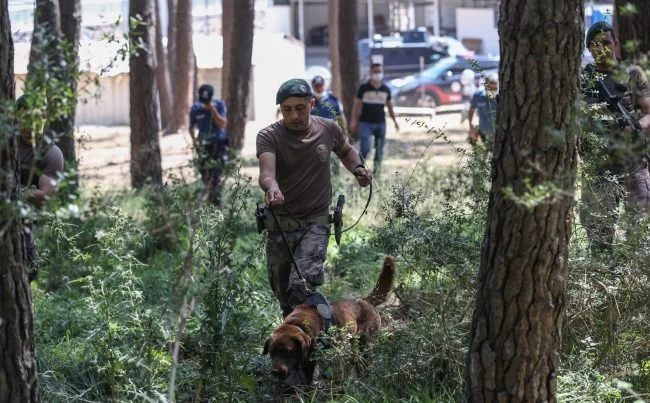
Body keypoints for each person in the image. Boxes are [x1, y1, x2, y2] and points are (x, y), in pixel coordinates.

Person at [256, 78, 372, 317]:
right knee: (284, 297)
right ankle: (300, 336)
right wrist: (272, 187)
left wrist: (358, 169)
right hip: (280, 226)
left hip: (315, 223)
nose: (294, 116)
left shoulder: (328, 128)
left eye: (300, 108)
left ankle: (319, 336)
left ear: (312, 103)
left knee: (301, 287)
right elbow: (267, 173)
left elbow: (347, 151)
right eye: (287, 110)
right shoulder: (269, 136)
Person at [580, 21, 650, 254]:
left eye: (607, 43)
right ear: (589, 49)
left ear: (616, 44)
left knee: (638, 233)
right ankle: (604, 277)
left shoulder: (632, 73)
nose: (602, 49)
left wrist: (635, 128)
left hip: (633, 164)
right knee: (598, 234)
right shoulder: (583, 80)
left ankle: (634, 283)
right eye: (595, 45)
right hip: (599, 167)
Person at [15, 95, 64, 281]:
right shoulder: (7, 141)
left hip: (22, 226)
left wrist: (12, 193)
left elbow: (44, 195)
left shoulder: (50, 153)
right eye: (23, 119)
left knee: (26, 273)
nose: (27, 126)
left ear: (43, 117)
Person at [349, 63, 399, 173]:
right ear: (371, 73)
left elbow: (390, 107)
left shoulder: (386, 89)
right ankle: (360, 171)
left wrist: (395, 122)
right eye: (375, 71)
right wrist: (354, 121)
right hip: (365, 123)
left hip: (381, 123)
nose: (378, 74)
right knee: (365, 148)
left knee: (379, 150)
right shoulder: (364, 88)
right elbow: (356, 106)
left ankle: (377, 173)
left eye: (379, 71)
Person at [189, 84, 228, 206]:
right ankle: (209, 204)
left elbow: (223, 124)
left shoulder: (219, 104)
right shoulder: (195, 108)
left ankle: (217, 206)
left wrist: (213, 111)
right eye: (203, 101)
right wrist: (195, 142)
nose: (205, 103)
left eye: (207, 100)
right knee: (205, 176)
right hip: (203, 147)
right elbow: (191, 127)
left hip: (219, 145)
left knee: (216, 176)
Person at [467, 72, 498, 144]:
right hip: (484, 132)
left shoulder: (501, 96)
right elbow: (471, 110)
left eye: (494, 88)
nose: (492, 90)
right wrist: (471, 126)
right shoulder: (478, 95)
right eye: (490, 88)